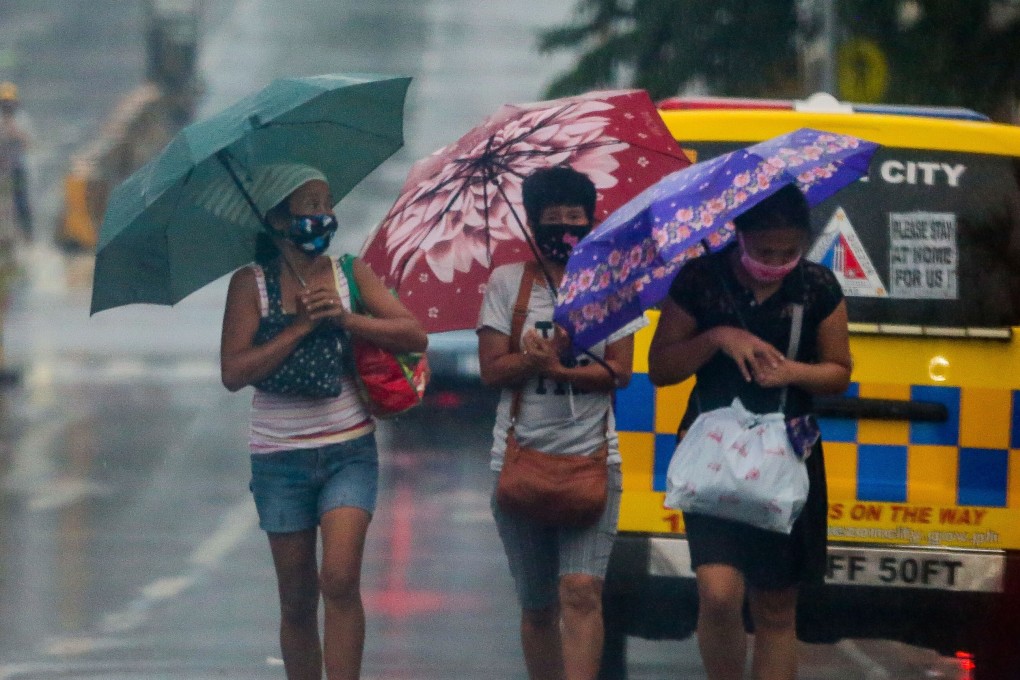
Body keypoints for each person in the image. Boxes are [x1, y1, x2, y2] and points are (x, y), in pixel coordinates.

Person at [219, 163, 427, 680]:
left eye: (327, 203)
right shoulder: (251, 285)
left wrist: (345, 317)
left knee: (339, 579)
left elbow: (413, 334)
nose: (324, 216)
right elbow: (233, 371)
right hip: (278, 458)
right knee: (296, 600)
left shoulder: (349, 273)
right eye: (311, 206)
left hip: (348, 450)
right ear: (277, 219)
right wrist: (299, 328)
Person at [647, 184, 851, 680]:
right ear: (738, 235)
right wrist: (717, 337)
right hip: (713, 458)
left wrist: (792, 373)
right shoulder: (701, 280)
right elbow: (661, 366)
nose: (776, 261)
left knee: (777, 608)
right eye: (764, 251)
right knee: (718, 593)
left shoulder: (818, 287)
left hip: (786, 458)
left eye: (788, 251)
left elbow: (839, 371)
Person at [477, 165, 643, 680]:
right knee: (537, 605)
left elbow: (621, 371)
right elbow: (491, 369)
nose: (567, 229)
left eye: (577, 218)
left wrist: (561, 364)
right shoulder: (508, 285)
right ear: (533, 225)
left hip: (593, 461)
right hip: (521, 460)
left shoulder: (611, 283)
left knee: (581, 591)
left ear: (593, 221)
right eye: (554, 220)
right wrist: (531, 361)